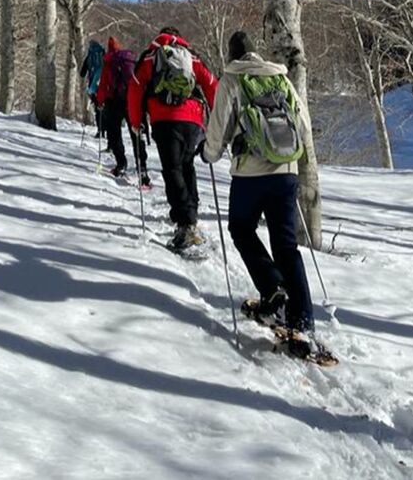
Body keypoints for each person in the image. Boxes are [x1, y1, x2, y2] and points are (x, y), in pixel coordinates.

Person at [201, 31, 316, 339]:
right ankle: (302, 318)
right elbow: (303, 125)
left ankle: (273, 288)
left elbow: (218, 127)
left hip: (250, 174)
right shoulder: (280, 78)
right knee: (286, 244)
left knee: (241, 228)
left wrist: (209, 154)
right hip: (286, 170)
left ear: (232, 56)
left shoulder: (232, 79)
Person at [128, 27, 217, 250]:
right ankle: (190, 215)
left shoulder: (152, 55)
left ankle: (185, 224)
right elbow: (211, 84)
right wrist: (216, 119)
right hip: (193, 120)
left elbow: (135, 88)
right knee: (187, 165)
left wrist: (136, 121)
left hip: (164, 117)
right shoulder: (192, 56)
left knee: (172, 169)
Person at [96, 37, 149, 184]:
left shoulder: (108, 62)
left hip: (113, 102)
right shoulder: (130, 59)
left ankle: (121, 164)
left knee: (114, 133)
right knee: (136, 134)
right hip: (131, 100)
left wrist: (100, 101)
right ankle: (142, 167)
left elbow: (103, 84)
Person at [79, 40, 105, 138]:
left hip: (93, 86)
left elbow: (82, 73)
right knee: (104, 109)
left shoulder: (89, 56)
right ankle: (105, 130)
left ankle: (100, 131)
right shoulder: (103, 54)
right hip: (104, 86)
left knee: (97, 109)